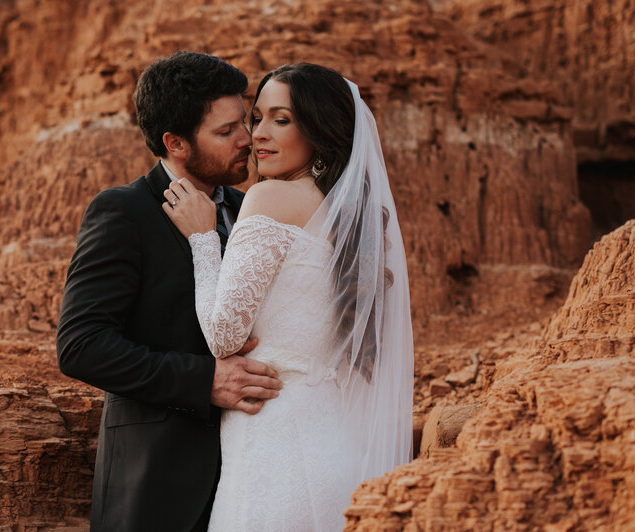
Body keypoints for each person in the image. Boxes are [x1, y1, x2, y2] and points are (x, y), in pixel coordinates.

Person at [163, 63, 414, 531]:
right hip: (338, 446)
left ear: (319, 130)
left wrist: (203, 241)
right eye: (256, 118)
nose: (259, 134)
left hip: (274, 447)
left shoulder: (270, 198)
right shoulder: (347, 218)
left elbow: (223, 336)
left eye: (282, 119)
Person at [56, 52, 283, 532]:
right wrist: (204, 381)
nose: (248, 139)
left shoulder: (255, 211)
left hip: (254, 478)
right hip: (156, 485)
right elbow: (82, 346)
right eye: (226, 132)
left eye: (244, 121)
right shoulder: (125, 212)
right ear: (175, 143)